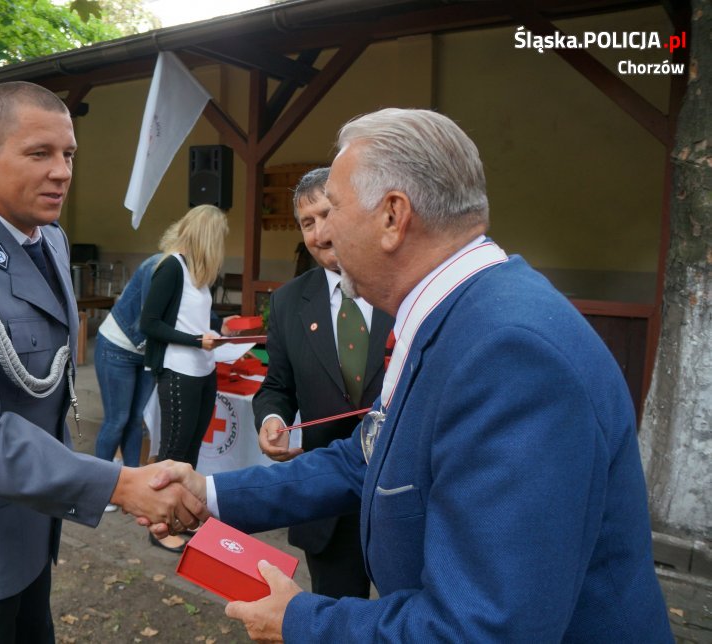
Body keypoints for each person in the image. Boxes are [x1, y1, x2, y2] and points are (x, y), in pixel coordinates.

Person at [147, 108, 673, 642]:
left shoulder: (509, 354)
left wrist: (303, 622)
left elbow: (483, 627)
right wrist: (211, 495)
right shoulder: (454, 313)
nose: (323, 234)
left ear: (393, 217)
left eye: (336, 209)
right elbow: (364, 457)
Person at [0, 81, 204, 643]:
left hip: (29, 518)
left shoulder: (47, 238)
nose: (62, 171)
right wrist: (119, 483)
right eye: (40, 153)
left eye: (68, 154)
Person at [253, 167, 392, 599]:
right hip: (326, 507)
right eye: (306, 223)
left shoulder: (400, 285)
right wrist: (272, 418)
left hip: (400, 501)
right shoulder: (289, 301)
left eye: (326, 215)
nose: (318, 233)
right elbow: (277, 385)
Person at [140, 204, 232, 552]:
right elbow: (149, 324)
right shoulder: (172, 268)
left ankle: (179, 517)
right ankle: (158, 527)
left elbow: (190, 318)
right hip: (179, 372)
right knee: (173, 454)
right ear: (206, 237)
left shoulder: (197, 273)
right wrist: (196, 341)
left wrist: (217, 327)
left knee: (190, 454)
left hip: (203, 370)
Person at [93, 252, 163, 489]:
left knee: (136, 420)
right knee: (117, 420)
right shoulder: (157, 265)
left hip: (145, 352)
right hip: (117, 346)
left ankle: (132, 484)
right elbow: (149, 317)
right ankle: (99, 488)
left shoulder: (191, 272)